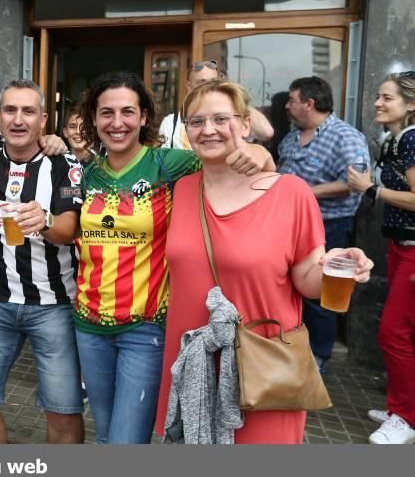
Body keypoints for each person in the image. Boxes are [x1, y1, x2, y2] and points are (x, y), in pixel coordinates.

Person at [156, 80, 372, 444]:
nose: (208, 130)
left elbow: (307, 280)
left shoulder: (290, 193)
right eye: (196, 122)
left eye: (221, 118)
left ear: (244, 126)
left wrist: (339, 267)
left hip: (264, 368)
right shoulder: (183, 188)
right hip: (194, 365)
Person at [74, 72, 273, 444]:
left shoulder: (171, 164)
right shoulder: (88, 174)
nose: (117, 123)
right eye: (106, 113)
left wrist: (258, 151)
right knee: (103, 435)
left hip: (144, 329)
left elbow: (225, 159)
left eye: (128, 112)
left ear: (145, 117)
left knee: (125, 442)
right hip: (88, 325)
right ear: (94, 118)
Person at [0, 80, 85, 444]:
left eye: (28, 111)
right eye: (10, 110)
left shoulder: (64, 162)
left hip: (54, 305)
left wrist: (44, 222)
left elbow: (69, 227)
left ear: (43, 119)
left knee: (63, 409)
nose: (18, 119)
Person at [278, 76, 371, 372]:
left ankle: (318, 358)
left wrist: (303, 193)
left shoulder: (346, 136)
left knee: (321, 294)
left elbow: (355, 182)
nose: (288, 107)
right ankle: (291, 349)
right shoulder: (291, 136)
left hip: (329, 225)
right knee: (290, 286)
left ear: (309, 103)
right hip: (288, 224)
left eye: (292, 101)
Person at [347, 71, 415, 444]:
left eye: (387, 98)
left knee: (394, 333)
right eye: (378, 96)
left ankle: (405, 419)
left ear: (411, 104)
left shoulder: (412, 140)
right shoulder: (398, 139)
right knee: (401, 332)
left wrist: (371, 188)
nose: (377, 102)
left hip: (412, 251)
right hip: (399, 246)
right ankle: (401, 406)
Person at [158, 60, 273, 149]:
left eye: (213, 82)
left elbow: (266, 132)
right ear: (189, 87)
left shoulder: (233, 117)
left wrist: (233, 97)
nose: (209, 88)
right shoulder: (171, 123)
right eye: (202, 83)